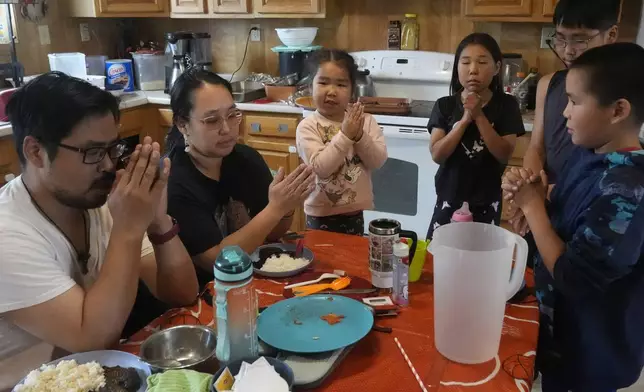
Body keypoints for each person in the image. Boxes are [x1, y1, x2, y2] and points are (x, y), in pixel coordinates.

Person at [0, 72, 198, 390]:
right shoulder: (7, 235)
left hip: (91, 376)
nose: (108, 166)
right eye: (92, 153)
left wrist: (157, 220)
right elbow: (92, 338)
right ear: (35, 152)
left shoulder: (95, 201)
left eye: (112, 149)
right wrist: (129, 228)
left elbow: (180, 293)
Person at [503, 43, 644, 392]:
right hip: (560, 335)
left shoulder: (627, 192)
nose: (564, 113)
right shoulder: (588, 154)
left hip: (591, 355)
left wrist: (534, 209)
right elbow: (568, 219)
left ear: (618, 110)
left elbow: (574, 278)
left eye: (575, 102)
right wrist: (534, 205)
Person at [166, 68, 315, 288]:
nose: (226, 129)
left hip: (251, 282)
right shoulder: (173, 182)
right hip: (205, 295)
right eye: (212, 120)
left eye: (232, 115)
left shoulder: (246, 159)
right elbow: (218, 261)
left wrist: (286, 207)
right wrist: (275, 208)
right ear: (182, 124)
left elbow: (273, 233)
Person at [510, 0, 620, 235]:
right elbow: (536, 148)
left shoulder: (620, 96)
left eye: (580, 39)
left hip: (589, 208)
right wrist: (532, 189)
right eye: (560, 38)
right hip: (546, 205)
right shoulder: (548, 85)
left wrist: (548, 195)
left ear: (611, 35)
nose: (568, 50)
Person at [426, 33, 525, 239]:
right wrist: (464, 120)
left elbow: (503, 154)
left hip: (487, 199)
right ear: (457, 67)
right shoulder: (445, 105)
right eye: (465, 62)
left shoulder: (506, 106)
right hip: (448, 197)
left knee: (481, 257)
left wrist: (479, 115)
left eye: (481, 62)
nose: (473, 70)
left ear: (497, 68)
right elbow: (437, 154)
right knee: (440, 252)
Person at [296, 49, 387, 235]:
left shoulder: (365, 121)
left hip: (354, 213)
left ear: (352, 91)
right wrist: (345, 135)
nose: (331, 91)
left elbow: (377, 161)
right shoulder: (308, 126)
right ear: (309, 87)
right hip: (320, 214)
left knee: (350, 261)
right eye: (323, 82)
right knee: (322, 262)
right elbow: (320, 168)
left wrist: (359, 135)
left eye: (341, 84)